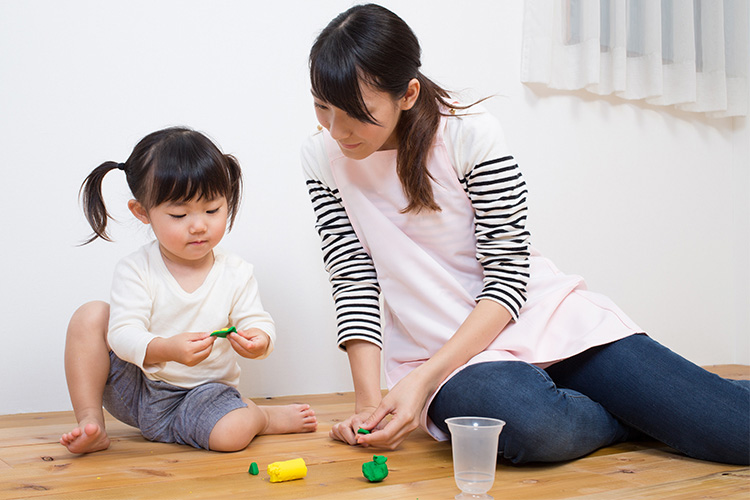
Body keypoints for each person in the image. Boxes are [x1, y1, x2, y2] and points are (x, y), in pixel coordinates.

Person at [301, 3, 749, 465]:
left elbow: (508, 279)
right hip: (448, 359)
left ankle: (668, 407)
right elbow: (353, 277)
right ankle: (648, 412)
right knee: (533, 427)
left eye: (356, 112)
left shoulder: (469, 136)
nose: (336, 130)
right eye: (322, 107)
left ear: (408, 93)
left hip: (540, 319)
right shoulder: (320, 158)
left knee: (740, 435)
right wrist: (369, 404)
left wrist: (421, 382)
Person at [60, 127, 317, 454]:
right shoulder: (137, 269)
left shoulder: (235, 272)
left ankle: (261, 417)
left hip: (203, 398)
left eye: (212, 210)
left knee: (231, 436)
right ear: (142, 212)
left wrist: (259, 340)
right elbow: (123, 334)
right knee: (90, 315)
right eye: (179, 214)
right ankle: (89, 424)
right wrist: (165, 348)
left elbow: (257, 319)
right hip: (139, 392)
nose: (199, 225)